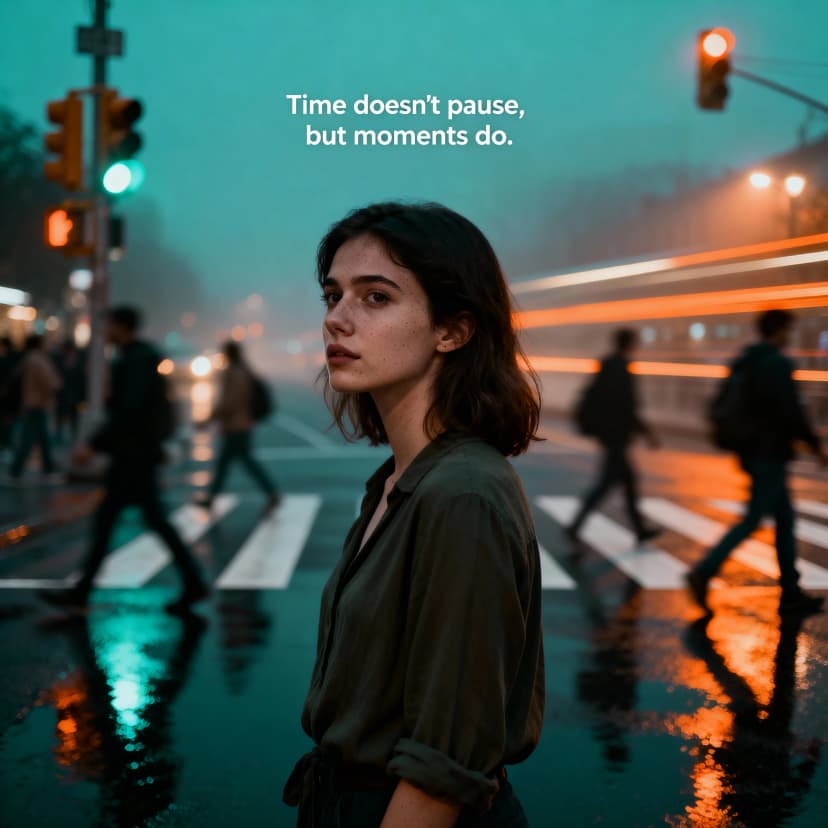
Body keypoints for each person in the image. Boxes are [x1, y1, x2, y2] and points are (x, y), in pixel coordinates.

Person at [282, 202, 545, 828]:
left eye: (375, 298)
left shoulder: (462, 496)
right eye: (332, 296)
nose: (337, 320)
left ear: (452, 330)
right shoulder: (401, 481)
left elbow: (443, 768)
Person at [40, 306, 209, 614]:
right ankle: (192, 583)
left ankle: (82, 593)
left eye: (110, 326)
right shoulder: (139, 357)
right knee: (132, 523)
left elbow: (128, 412)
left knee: (125, 524)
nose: (106, 332)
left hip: (133, 457)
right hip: (135, 456)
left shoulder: (135, 360)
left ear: (123, 327)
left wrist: (93, 444)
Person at [686, 309, 826, 616]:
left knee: (785, 520)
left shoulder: (747, 360)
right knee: (754, 519)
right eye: (788, 329)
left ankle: (791, 591)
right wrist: (816, 447)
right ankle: (704, 572)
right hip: (769, 452)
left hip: (753, 451)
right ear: (779, 330)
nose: (789, 335)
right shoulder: (776, 364)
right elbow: (791, 411)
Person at [566, 328, 660, 544]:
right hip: (616, 435)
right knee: (609, 483)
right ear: (630, 343)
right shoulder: (621, 368)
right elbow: (626, 407)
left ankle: (638, 528)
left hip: (609, 433)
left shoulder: (608, 364)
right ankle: (576, 525)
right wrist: (647, 433)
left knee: (626, 482)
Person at [196, 340, 279, 513]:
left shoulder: (232, 373)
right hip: (242, 424)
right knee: (232, 463)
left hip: (236, 426)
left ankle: (272, 493)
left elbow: (229, 402)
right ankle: (271, 493)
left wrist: (209, 418)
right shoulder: (244, 370)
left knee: (236, 463)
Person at [9, 333, 62, 480]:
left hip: (33, 403)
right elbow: (50, 381)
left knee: (40, 437)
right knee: (30, 438)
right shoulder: (37, 360)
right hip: (36, 403)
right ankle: (18, 469)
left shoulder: (29, 358)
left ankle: (46, 467)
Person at [53, 338, 87, 444]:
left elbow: (81, 380)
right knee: (60, 416)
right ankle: (60, 437)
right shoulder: (59, 360)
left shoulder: (78, 361)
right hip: (63, 394)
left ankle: (72, 438)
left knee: (73, 418)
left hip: (73, 395)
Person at [0, 335, 20, 460]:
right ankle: (7, 447)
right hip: (11, 399)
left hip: (7, 399)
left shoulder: (6, 361)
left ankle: (6, 447)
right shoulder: (15, 359)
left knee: (6, 424)